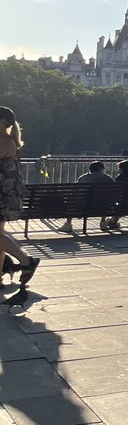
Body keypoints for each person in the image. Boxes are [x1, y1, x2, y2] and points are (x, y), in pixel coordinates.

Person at [0, 106, 39, 300]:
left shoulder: (5, 142)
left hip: (3, 194)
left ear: (4, 123)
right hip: (5, 194)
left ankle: (26, 260)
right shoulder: (8, 141)